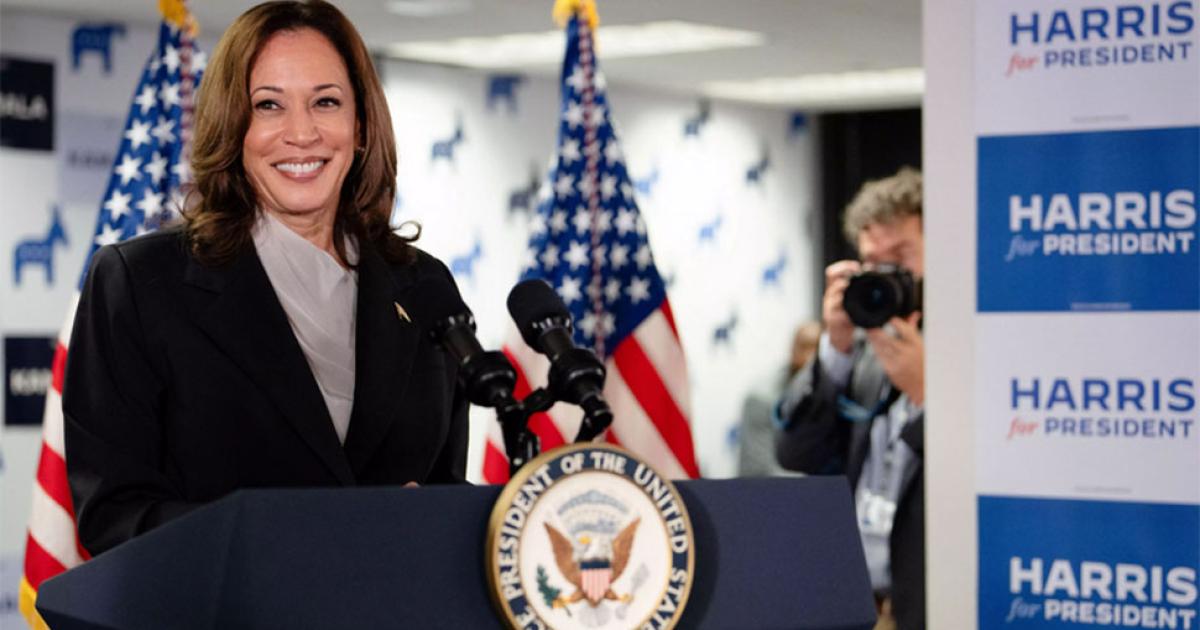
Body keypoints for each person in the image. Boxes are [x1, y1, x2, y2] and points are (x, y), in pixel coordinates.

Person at [63, 0, 469, 557]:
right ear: (233, 127)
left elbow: (444, 487)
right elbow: (115, 516)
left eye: (326, 102)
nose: (301, 133)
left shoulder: (423, 286)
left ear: (360, 127)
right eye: (268, 105)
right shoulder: (139, 283)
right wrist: (306, 535)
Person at [775, 167, 925, 630]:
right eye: (872, 261)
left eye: (901, 257)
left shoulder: (978, 351)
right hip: (855, 601)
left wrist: (925, 392)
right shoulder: (864, 354)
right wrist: (835, 348)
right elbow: (797, 453)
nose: (885, 275)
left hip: (933, 600)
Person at [736, 321, 820, 477]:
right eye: (805, 347)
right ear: (793, 352)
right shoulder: (761, 398)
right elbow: (758, 471)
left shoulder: (836, 394)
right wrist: (816, 483)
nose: (812, 357)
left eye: (819, 349)